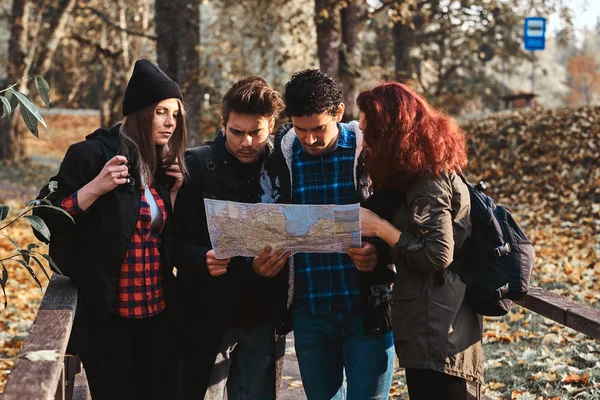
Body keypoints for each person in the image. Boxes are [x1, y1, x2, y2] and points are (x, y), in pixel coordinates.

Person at [33, 59, 187, 399]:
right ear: (140, 112)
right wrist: (95, 188)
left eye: (175, 114)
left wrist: (174, 195)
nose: (170, 122)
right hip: (109, 320)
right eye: (161, 111)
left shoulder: (161, 165)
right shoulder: (89, 155)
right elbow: (42, 220)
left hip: (158, 317)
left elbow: (168, 244)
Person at [256, 69, 395, 400]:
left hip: (367, 309)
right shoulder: (280, 156)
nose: (311, 139)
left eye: (319, 128)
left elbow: (398, 220)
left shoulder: (369, 153)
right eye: (301, 130)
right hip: (310, 312)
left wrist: (379, 254)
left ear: (339, 113)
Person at [355, 82, 484, 400]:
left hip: (440, 334)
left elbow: (439, 253)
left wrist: (381, 228)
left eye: (368, 131)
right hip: (431, 327)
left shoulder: (429, 179)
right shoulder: (416, 174)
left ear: (388, 133)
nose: (365, 142)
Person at [174, 76, 289, 399]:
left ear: (272, 124)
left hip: (265, 317)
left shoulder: (285, 167)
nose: (247, 142)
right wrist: (201, 260)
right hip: (207, 317)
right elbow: (171, 244)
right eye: (237, 132)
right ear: (223, 123)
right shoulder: (196, 166)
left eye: (256, 132)